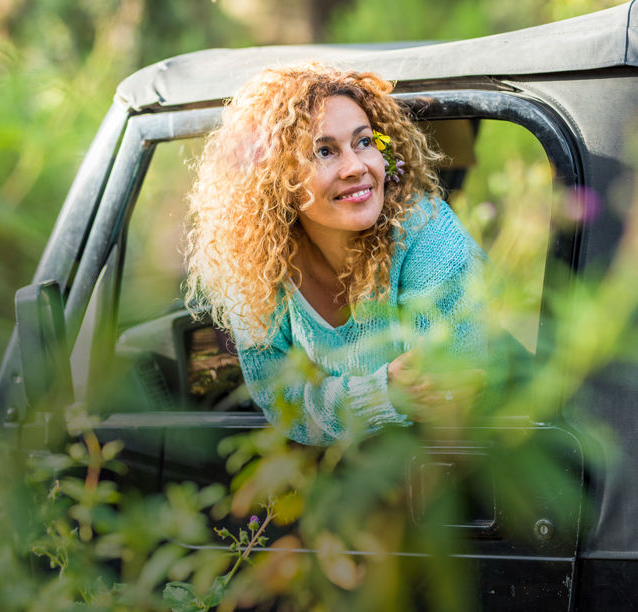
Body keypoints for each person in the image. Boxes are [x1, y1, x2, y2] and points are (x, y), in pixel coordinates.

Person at [185, 63, 487, 445]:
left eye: (364, 142)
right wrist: (382, 392)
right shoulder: (253, 268)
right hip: (352, 481)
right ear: (277, 179)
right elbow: (282, 405)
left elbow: (449, 397)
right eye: (325, 151)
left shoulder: (426, 234)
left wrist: (334, 403)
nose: (356, 167)